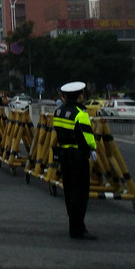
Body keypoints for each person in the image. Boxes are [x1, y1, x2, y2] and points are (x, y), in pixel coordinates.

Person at [52, 81, 97, 240]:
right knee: (80, 192)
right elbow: (88, 138)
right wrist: (92, 149)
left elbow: (57, 132)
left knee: (69, 191)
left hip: (64, 154)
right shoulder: (80, 114)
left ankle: (73, 223)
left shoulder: (58, 112)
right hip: (78, 156)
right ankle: (78, 228)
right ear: (79, 96)